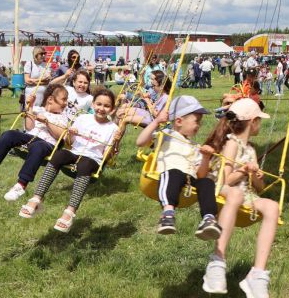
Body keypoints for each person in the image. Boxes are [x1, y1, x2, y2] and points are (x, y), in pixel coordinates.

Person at [201, 98, 278, 298]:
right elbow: (225, 179)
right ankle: (217, 260)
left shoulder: (251, 149)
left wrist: (255, 175)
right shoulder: (231, 144)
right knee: (234, 193)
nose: (260, 124)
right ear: (252, 122)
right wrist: (244, 170)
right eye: (259, 120)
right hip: (224, 189)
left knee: (272, 206)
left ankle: (258, 274)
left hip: (247, 193)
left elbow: (259, 188)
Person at [19, 88, 120, 232]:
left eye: (106, 106)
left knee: (85, 164)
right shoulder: (82, 118)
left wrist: (115, 143)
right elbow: (69, 143)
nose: (101, 108)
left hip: (92, 158)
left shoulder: (113, 128)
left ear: (112, 109)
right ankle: (36, 199)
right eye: (99, 104)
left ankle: (69, 212)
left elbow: (107, 156)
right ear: (93, 104)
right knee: (59, 155)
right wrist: (70, 135)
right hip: (75, 152)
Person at [135, 96, 222, 238]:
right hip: (171, 173)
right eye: (197, 121)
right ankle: (168, 214)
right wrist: (156, 122)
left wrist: (205, 157)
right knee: (174, 173)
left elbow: (200, 174)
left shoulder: (196, 146)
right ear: (179, 121)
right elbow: (140, 142)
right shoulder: (166, 135)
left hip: (190, 179)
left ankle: (208, 218)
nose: (199, 125)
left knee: (206, 182)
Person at [0, 84, 69, 201]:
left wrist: (47, 122)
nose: (66, 103)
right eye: (63, 99)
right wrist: (31, 107)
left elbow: (61, 136)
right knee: (9, 134)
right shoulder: (37, 110)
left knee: (38, 146)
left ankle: (21, 185)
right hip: (30, 137)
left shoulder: (63, 117)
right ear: (51, 99)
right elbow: (29, 127)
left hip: (47, 144)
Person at [116, 70, 172, 137]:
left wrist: (147, 101)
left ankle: (115, 141)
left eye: (154, 86)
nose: (153, 87)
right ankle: (114, 136)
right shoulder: (160, 95)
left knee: (124, 119)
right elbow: (153, 106)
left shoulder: (165, 97)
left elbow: (156, 115)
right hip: (148, 114)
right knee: (121, 112)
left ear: (161, 86)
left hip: (152, 119)